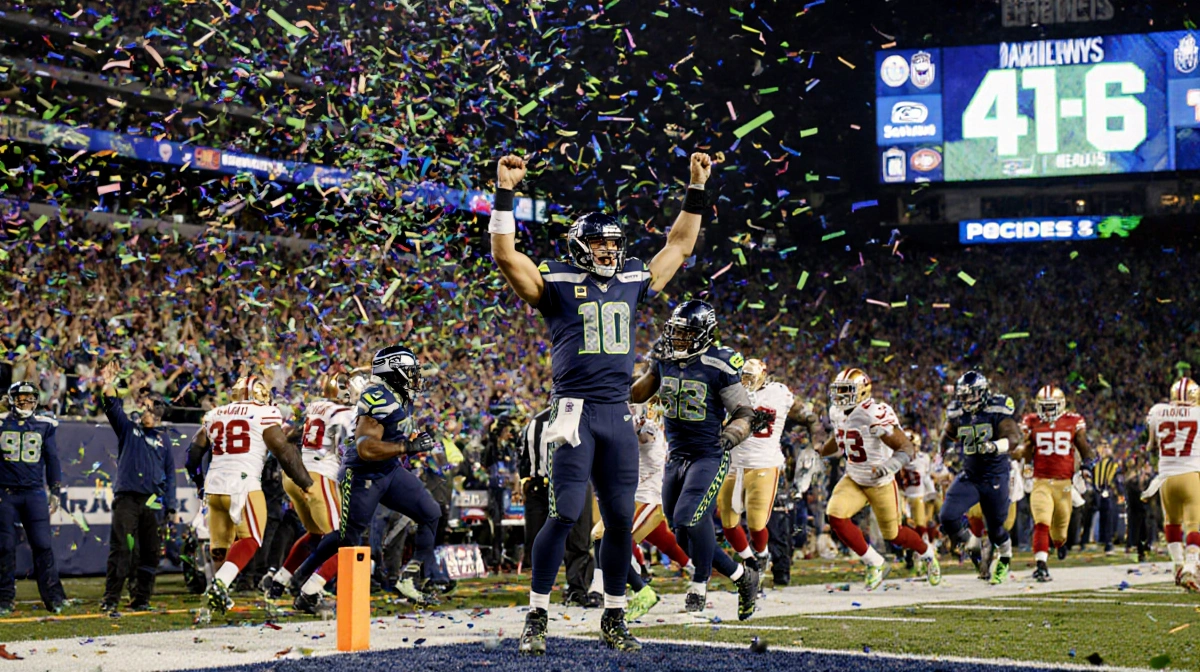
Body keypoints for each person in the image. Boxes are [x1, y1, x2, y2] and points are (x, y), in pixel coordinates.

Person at [490, 152, 709, 655]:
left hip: (617, 413)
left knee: (615, 518)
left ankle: (613, 615)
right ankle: (537, 615)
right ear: (578, 245)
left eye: (613, 242)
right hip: (573, 410)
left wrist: (696, 187)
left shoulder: (632, 277)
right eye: (599, 242)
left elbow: (678, 245)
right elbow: (505, 254)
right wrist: (505, 192)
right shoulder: (558, 280)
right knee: (566, 513)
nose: (608, 250)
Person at [629, 300, 762, 620]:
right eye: (675, 333)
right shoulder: (665, 359)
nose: (678, 340)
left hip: (708, 455)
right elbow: (638, 393)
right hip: (676, 457)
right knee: (681, 531)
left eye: (686, 334)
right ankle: (743, 578)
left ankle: (709, 582)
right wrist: (649, 366)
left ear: (704, 334)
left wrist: (732, 435)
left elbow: (745, 413)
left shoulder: (719, 363)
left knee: (689, 517)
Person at [286, 346, 445, 609]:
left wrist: (407, 442)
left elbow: (390, 434)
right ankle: (303, 580)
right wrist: (406, 447)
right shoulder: (378, 395)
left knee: (431, 512)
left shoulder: (398, 393)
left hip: (389, 470)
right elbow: (365, 447)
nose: (414, 377)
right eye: (409, 372)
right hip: (362, 474)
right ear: (392, 373)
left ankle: (410, 577)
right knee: (347, 538)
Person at [185, 374, 313, 614]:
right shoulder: (264, 414)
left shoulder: (215, 414)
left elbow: (193, 453)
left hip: (215, 485)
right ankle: (220, 586)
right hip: (243, 484)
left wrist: (199, 482)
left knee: (221, 545)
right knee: (251, 539)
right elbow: (284, 452)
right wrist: (305, 482)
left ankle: (217, 588)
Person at [820, 368, 941, 590]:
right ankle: (874, 562)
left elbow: (906, 448)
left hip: (879, 482)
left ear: (863, 392)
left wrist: (888, 467)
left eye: (846, 391)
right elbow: (839, 438)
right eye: (838, 391)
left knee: (894, 535)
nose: (840, 396)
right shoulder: (837, 412)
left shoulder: (874, 413)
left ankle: (927, 554)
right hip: (854, 478)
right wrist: (820, 450)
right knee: (835, 516)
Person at [263, 372, 365, 607]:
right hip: (319, 477)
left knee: (317, 535)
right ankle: (312, 590)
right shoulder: (345, 413)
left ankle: (279, 581)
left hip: (296, 474)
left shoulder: (315, 406)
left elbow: (297, 433)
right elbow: (349, 447)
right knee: (343, 540)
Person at [718, 358, 821, 585]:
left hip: (766, 464)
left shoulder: (778, 393)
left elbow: (804, 413)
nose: (745, 382)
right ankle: (753, 560)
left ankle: (770, 561)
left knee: (763, 522)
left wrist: (814, 428)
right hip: (734, 465)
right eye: (742, 376)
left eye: (749, 377)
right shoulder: (730, 391)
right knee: (729, 522)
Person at [97, 361, 176, 612]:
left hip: (154, 500)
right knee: (121, 549)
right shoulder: (129, 429)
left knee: (150, 553)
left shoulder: (164, 440)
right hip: (128, 499)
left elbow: (170, 474)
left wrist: (171, 506)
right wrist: (109, 382)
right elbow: (112, 406)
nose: (149, 414)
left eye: (154, 411)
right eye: (148, 410)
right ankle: (111, 599)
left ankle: (141, 599)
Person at [938, 371, 1023, 584]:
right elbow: (947, 436)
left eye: (970, 396)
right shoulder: (958, 413)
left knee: (995, 529)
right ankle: (975, 547)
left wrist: (995, 445)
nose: (965, 401)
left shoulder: (996, 409)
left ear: (982, 393)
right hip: (971, 475)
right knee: (948, 517)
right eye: (962, 396)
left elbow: (1014, 438)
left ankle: (1004, 555)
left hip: (995, 476)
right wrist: (945, 455)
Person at [519, 407, 598, 608]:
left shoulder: (579, 419)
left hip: (570, 482)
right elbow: (525, 459)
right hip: (544, 485)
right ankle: (542, 590)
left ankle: (577, 588)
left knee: (577, 539)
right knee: (543, 539)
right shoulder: (536, 422)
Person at [0, 381, 67, 615]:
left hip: (34, 492)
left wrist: (55, 490)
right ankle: (5, 598)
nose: (26, 402)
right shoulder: (1, 422)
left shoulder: (45, 424)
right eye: (21, 397)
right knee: (4, 547)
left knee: (43, 544)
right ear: (11, 399)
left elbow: (52, 460)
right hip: (5, 493)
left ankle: (54, 598)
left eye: (30, 398)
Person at [1018, 385, 1095, 582]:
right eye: (1044, 406)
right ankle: (1041, 565)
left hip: (1064, 484)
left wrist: (1087, 466)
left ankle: (1060, 545)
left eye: (1052, 406)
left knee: (1060, 532)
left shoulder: (1073, 421)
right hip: (1041, 481)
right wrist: (1026, 466)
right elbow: (1026, 449)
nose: (1048, 411)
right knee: (1041, 521)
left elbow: (1084, 447)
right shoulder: (1031, 421)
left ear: (1061, 405)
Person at [1140, 377, 1200, 590]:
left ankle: (1177, 564)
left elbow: (1150, 446)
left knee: (1171, 522)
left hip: (1166, 478)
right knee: (1194, 524)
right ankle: (1192, 565)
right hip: (1191, 475)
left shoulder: (1157, 411)